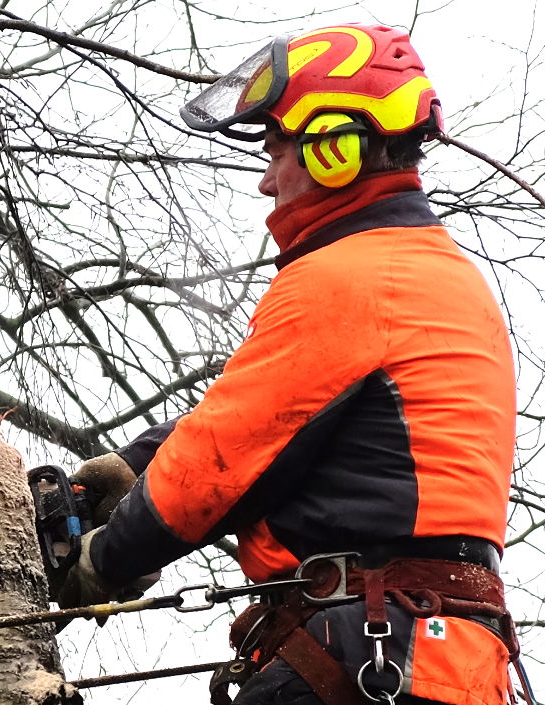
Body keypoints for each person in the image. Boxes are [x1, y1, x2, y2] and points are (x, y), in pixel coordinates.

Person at [60, 24, 518, 705]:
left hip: (366, 651)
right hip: (444, 662)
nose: (266, 179)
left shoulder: (347, 277)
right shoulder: (430, 270)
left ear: (337, 147)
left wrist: (100, 561)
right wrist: (134, 463)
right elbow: (273, 416)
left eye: (277, 150)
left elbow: (222, 457)